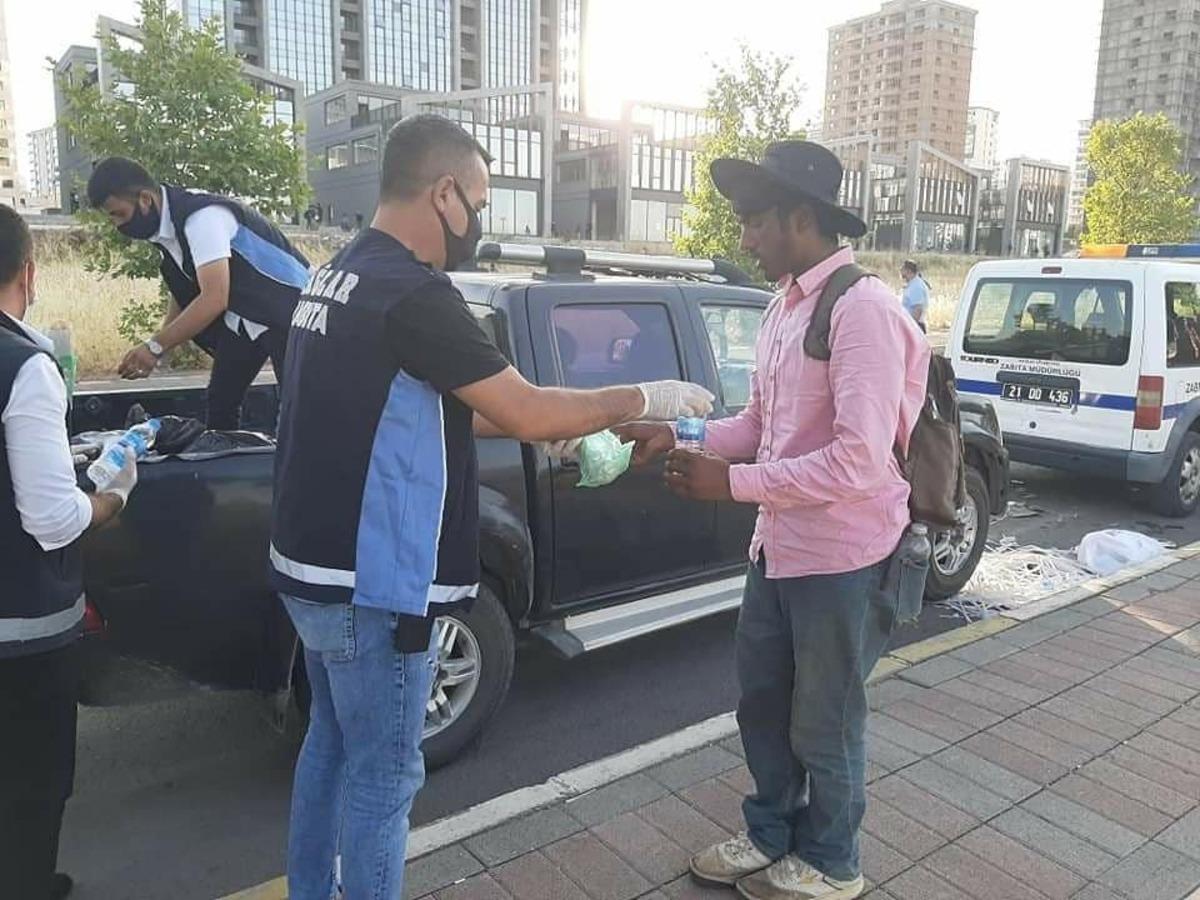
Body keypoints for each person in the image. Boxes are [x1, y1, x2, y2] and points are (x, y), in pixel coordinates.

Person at [269, 113, 713, 900]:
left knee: (330, 750)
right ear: (442, 193)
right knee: (385, 776)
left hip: (313, 572)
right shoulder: (415, 293)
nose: (479, 221)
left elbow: (441, 403)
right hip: (376, 586)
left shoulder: (337, 275)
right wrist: (647, 395)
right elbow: (528, 408)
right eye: (477, 200)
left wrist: (561, 432)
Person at [618, 141, 930, 900]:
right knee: (761, 702)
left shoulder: (866, 312)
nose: (746, 238)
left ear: (802, 217)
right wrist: (682, 436)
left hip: (845, 557)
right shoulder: (780, 309)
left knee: (824, 718)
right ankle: (768, 834)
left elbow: (859, 461)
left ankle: (832, 861)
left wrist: (734, 486)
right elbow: (758, 424)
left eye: (756, 222)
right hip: (779, 549)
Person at [0, 206, 140, 900]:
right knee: (30, 786)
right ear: (28, 272)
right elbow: (54, 519)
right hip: (21, 636)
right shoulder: (24, 367)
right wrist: (110, 496)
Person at [87, 158, 311, 429]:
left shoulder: (201, 218)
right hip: (248, 316)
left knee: (296, 413)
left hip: (290, 312)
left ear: (145, 199)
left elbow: (215, 297)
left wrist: (155, 346)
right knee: (220, 401)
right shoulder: (167, 230)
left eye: (119, 214)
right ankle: (225, 461)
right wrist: (160, 346)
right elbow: (185, 291)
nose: (116, 225)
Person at [900, 259, 929, 333]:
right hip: (912, 325)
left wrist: (910, 328)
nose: (900, 271)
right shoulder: (912, 285)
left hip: (915, 326)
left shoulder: (916, 286)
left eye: (902, 269)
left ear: (908, 271)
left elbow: (918, 309)